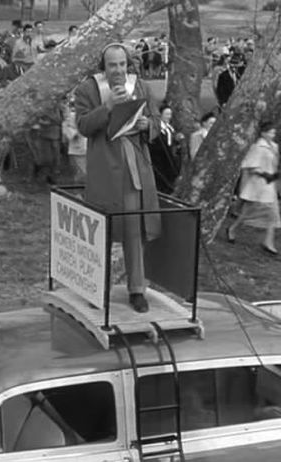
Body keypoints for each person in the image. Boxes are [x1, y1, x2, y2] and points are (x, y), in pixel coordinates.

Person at [75, 43, 161, 313]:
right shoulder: (88, 89)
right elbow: (84, 126)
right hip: (105, 170)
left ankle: (137, 289)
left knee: (134, 230)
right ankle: (95, 287)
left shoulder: (142, 86)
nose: (118, 70)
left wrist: (150, 125)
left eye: (122, 64)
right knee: (100, 230)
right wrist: (108, 106)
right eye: (113, 65)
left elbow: (157, 119)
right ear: (104, 66)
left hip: (136, 168)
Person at [226, 121, 281, 257]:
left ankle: (269, 243)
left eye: (273, 132)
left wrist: (273, 175)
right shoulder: (258, 147)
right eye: (270, 132)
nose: (273, 134)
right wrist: (262, 173)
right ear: (263, 133)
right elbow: (249, 165)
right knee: (250, 211)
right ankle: (233, 228)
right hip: (258, 184)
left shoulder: (274, 147)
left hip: (269, 184)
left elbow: (275, 164)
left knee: (273, 212)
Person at [149, 104, 184, 194]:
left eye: (170, 114)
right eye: (167, 114)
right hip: (159, 161)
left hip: (170, 160)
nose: (169, 117)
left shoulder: (170, 129)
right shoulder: (157, 128)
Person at [62, 92, 87, 184]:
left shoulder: (90, 114)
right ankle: (78, 193)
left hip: (89, 149)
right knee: (82, 174)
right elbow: (66, 127)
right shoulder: (71, 116)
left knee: (89, 173)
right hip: (77, 149)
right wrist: (74, 134)